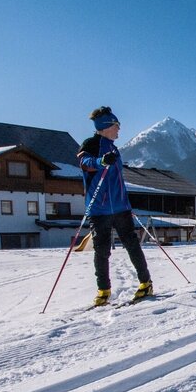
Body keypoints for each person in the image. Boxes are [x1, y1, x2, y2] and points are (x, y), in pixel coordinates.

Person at [77, 106, 153, 307]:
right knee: (101, 251)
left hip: (120, 208)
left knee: (133, 245)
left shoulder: (113, 147)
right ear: (106, 126)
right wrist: (101, 162)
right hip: (99, 209)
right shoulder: (92, 144)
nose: (119, 130)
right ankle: (103, 290)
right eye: (117, 126)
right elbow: (85, 163)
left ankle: (146, 283)